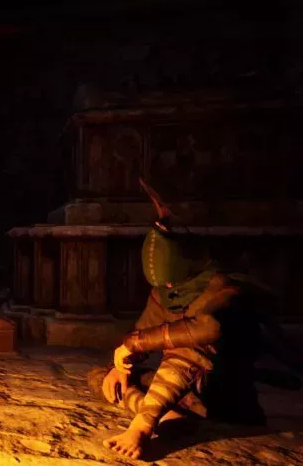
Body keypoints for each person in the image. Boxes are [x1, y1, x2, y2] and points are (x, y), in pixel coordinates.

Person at [87, 180, 267, 460]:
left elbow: (208, 328)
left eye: (171, 283)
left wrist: (132, 344)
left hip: (221, 398)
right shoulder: (164, 294)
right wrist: (120, 366)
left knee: (186, 346)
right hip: (179, 393)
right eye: (164, 286)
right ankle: (166, 414)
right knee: (103, 378)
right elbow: (143, 333)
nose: (168, 289)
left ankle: (142, 426)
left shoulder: (226, 289)